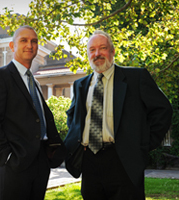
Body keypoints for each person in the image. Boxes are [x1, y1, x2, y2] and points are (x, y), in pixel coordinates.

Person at [64, 30, 173, 200]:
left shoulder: (136, 78)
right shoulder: (80, 85)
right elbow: (72, 117)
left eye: (102, 48)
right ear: (87, 55)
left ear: (112, 52)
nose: (97, 54)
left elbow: (163, 110)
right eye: (92, 50)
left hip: (123, 161)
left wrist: (143, 143)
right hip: (90, 162)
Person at [0, 25, 66, 200]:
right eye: (24, 40)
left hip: (40, 163)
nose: (30, 45)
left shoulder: (32, 81)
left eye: (34, 41)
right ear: (12, 46)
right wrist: (6, 157)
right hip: (15, 165)